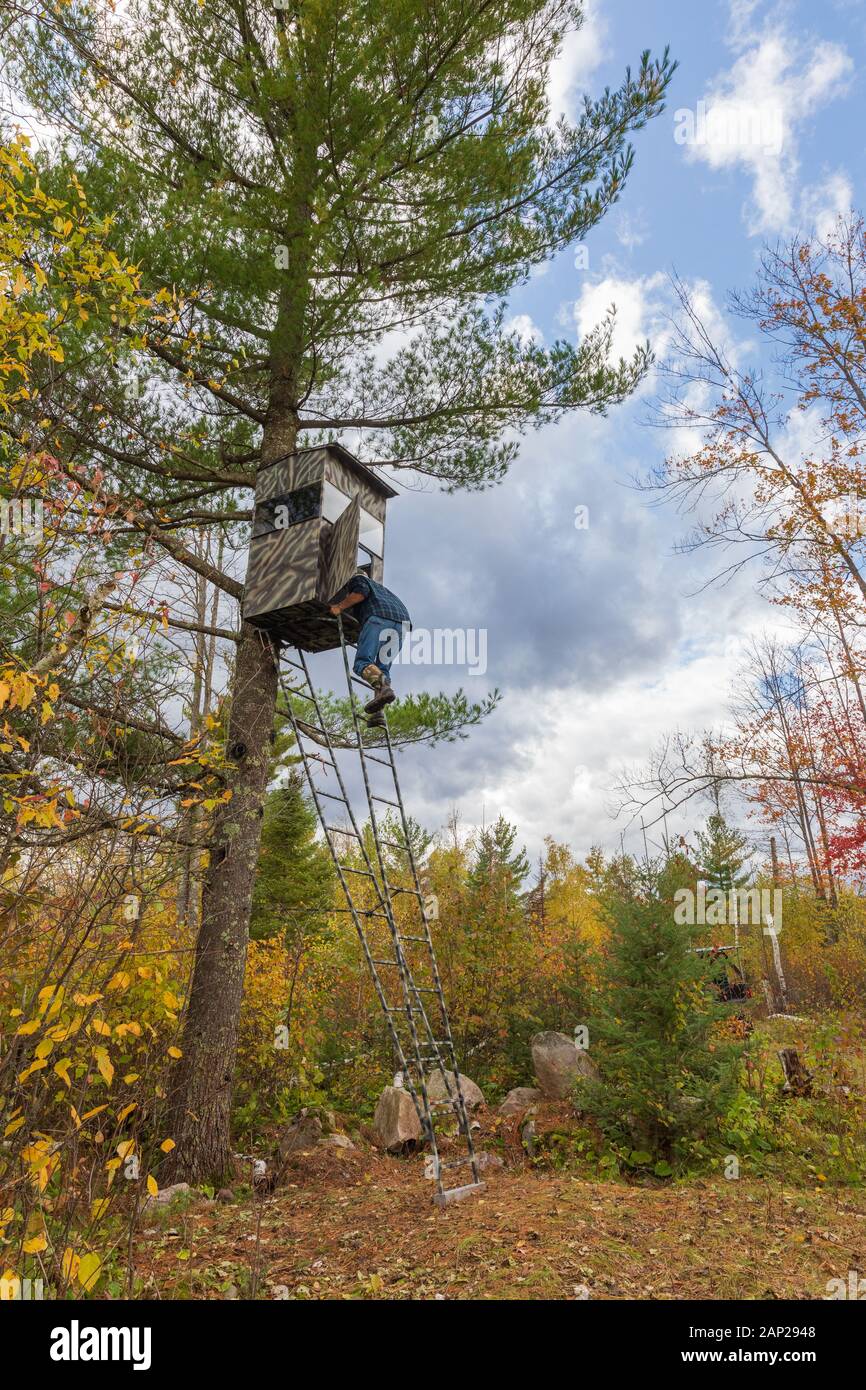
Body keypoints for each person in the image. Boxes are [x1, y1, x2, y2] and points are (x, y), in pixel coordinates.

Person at [329, 569, 411, 714]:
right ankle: (378, 712)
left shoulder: (359, 579)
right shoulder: (384, 591)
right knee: (383, 669)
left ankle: (384, 688)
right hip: (402, 625)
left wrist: (339, 607)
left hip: (380, 618)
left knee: (362, 663)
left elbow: (361, 592)